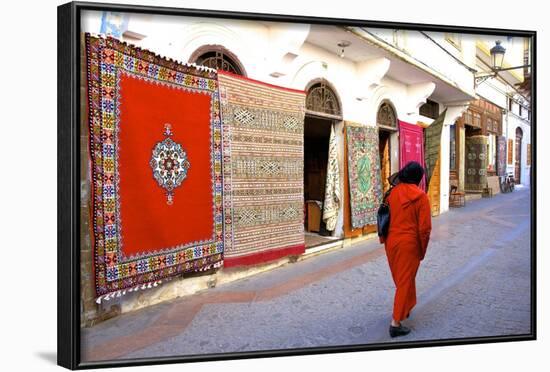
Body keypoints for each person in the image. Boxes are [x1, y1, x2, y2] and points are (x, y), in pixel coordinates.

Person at [380, 161, 432, 338]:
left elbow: (383, 217)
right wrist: (422, 250)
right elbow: (424, 229)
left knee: (401, 279)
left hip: (391, 242)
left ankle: (404, 308)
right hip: (409, 244)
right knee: (405, 281)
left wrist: (383, 240)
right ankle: (395, 323)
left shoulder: (391, 193)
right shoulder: (421, 197)